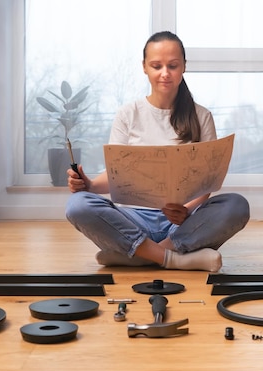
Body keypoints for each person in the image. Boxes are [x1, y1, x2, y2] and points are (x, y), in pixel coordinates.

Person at [65, 31, 250, 272]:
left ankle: (139, 254)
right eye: (156, 66)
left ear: (184, 66)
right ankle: (172, 258)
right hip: (134, 220)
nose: (165, 73)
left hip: (182, 223)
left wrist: (186, 211)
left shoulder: (202, 116)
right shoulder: (128, 114)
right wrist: (87, 185)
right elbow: (117, 177)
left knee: (237, 205)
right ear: (144, 67)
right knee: (78, 205)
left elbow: (208, 183)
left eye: (172, 66)